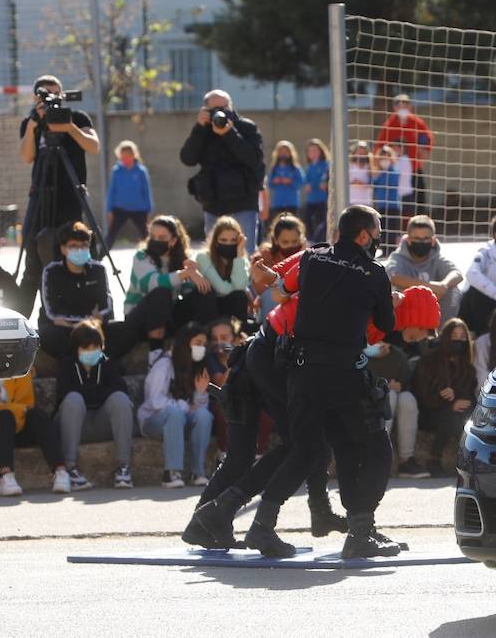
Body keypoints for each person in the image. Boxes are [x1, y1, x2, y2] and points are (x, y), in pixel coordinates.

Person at [239, 205, 399, 560]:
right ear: (363, 236)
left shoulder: (311, 258)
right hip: (343, 374)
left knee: (307, 450)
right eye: (376, 233)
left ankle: (261, 526)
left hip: (302, 370)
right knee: (375, 448)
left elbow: (280, 292)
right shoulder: (374, 273)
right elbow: (386, 324)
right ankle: (360, 532)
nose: (378, 240)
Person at [184, 252, 345, 550]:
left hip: (256, 365)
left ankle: (206, 522)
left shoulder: (316, 278)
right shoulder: (326, 286)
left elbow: (272, 282)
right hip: (259, 368)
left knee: (266, 453)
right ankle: (209, 520)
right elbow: (271, 284)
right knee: (300, 446)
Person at [17, 74, 101, 313]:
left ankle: (78, 310)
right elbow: (26, 157)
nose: (52, 99)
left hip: (71, 201)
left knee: (76, 254)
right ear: (36, 98)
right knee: (33, 263)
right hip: (40, 200)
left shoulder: (77, 118)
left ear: (64, 96)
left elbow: (93, 147)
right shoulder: (31, 122)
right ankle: (19, 321)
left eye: (56, 94)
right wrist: (35, 123)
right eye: (46, 94)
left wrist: (69, 128)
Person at [39, 221, 171, 362]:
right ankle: (77, 364)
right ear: (63, 249)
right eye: (73, 246)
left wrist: (92, 322)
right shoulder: (51, 271)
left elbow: (106, 306)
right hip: (68, 330)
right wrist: (83, 324)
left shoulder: (98, 269)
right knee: (48, 335)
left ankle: (105, 362)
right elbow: (53, 312)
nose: (79, 250)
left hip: (95, 328)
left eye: (83, 246)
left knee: (125, 329)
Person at [365, 285, 439, 479]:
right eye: (422, 328)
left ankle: (407, 461)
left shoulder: (412, 345)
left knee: (407, 399)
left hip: (391, 390)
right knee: (387, 397)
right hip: (363, 389)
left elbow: (408, 377)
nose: (424, 334)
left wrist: (399, 385)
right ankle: (373, 457)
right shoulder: (380, 324)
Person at [180, 89, 265, 252]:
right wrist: (199, 128)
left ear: (231, 107)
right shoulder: (203, 130)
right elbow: (187, 159)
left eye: (224, 108)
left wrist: (229, 134)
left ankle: (245, 279)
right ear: (205, 110)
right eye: (215, 109)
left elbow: (254, 158)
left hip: (243, 200)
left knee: (245, 252)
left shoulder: (246, 127)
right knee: (215, 253)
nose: (220, 113)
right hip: (213, 202)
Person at [55, 319, 135, 491]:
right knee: (73, 399)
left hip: (101, 423)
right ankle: (70, 469)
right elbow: (64, 394)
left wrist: (89, 391)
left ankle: (124, 467)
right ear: (76, 349)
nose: (91, 352)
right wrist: (96, 391)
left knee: (120, 399)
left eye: (95, 347)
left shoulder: (108, 364)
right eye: (86, 348)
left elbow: (120, 388)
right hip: (75, 425)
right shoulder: (66, 365)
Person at [139, 322, 216, 488]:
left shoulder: (197, 367)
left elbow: (198, 408)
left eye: (203, 344)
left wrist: (201, 393)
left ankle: (198, 472)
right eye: (197, 343)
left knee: (204, 415)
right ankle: (171, 473)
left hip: (180, 419)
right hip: (153, 421)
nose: (201, 348)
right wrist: (186, 407)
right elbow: (156, 401)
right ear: (185, 343)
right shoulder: (164, 365)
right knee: (175, 413)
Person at [0, 369, 67, 497]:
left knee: (38, 416)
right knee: (4, 417)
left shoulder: (20, 370)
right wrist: (16, 408)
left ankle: (60, 471)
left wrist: (13, 408)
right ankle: (5, 475)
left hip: (17, 426)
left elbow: (27, 404)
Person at [412, 318, 477, 478]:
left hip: (457, 412)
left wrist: (458, 398)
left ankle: (470, 462)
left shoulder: (467, 366)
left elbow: (470, 392)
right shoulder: (429, 361)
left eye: (463, 336)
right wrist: (447, 401)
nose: (458, 340)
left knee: (469, 417)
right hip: (429, 413)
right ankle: (434, 459)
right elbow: (423, 395)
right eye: (454, 335)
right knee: (450, 416)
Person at [124, 214, 202, 341]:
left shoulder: (182, 260)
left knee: (202, 294)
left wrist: (196, 278)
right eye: (153, 236)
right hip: (140, 318)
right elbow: (152, 283)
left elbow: (188, 292)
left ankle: (205, 340)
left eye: (162, 237)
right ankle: (156, 349)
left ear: (173, 241)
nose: (156, 240)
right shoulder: (141, 257)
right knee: (161, 292)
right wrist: (185, 273)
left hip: (168, 315)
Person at [384, 214, 463, 320]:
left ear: (433, 240)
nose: (421, 242)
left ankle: (442, 333)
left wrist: (443, 285)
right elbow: (394, 277)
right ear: (408, 239)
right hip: (408, 309)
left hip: (432, 309)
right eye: (417, 238)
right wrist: (430, 288)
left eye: (425, 239)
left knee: (453, 290)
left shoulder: (436, 257)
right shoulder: (398, 257)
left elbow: (457, 274)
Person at [374, 94, 434, 210]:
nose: (402, 107)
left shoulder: (417, 123)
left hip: (414, 169)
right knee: (398, 205)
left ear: (410, 106)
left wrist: (424, 151)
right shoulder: (389, 126)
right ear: (394, 108)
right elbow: (379, 147)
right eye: (399, 104)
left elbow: (427, 139)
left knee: (419, 201)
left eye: (405, 104)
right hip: (395, 172)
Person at [195, 216, 253, 327]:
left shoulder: (240, 259)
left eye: (233, 241)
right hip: (207, 307)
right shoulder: (203, 257)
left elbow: (240, 287)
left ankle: (239, 337)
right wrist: (240, 288)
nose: (228, 244)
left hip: (227, 306)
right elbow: (221, 289)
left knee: (240, 296)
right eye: (223, 240)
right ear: (215, 241)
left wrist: (239, 256)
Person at [253, 214, 306, 317]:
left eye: (295, 242)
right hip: (273, 304)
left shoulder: (308, 256)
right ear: (276, 241)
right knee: (270, 295)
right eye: (285, 242)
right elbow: (260, 288)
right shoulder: (264, 256)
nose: (291, 246)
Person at [104, 140, 153, 250]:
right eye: (122, 157)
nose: (125, 159)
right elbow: (112, 191)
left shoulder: (141, 171)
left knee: (147, 235)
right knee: (111, 234)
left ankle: (154, 253)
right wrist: (109, 210)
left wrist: (149, 210)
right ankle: (99, 256)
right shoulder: (116, 171)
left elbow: (146, 191)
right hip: (120, 209)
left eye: (127, 156)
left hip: (139, 210)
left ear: (133, 155)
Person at [265, 141, 303, 228]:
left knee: (293, 224)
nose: (283, 154)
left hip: (292, 202)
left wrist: (290, 182)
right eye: (281, 152)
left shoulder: (295, 168)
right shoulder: (274, 169)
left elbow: (300, 183)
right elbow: (269, 184)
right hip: (278, 202)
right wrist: (274, 181)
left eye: (286, 152)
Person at [300, 139, 331, 242]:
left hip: (322, 198)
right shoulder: (309, 167)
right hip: (311, 199)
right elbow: (306, 180)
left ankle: (319, 240)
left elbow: (325, 178)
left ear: (321, 151)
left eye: (315, 150)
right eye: (310, 151)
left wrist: (324, 183)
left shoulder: (326, 164)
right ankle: (311, 239)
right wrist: (307, 185)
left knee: (323, 221)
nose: (312, 153)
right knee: (307, 219)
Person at [371, 144, 402, 235]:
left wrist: (381, 173)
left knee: (392, 234)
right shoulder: (376, 173)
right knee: (382, 234)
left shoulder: (395, 172)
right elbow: (375, 186)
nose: (384, 160)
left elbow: (390, 184)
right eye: (382, 158)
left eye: (386, 157)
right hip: (380, 206)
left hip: (392, 206)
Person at [349, 141, 374, 207]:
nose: (361, 154)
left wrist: (362, 184)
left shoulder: (370, 167)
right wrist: (354, 182)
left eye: (363, 152)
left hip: (366, 202)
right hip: (352, 201)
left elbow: (373, 183)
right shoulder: (349, 166)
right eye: (359, 151)